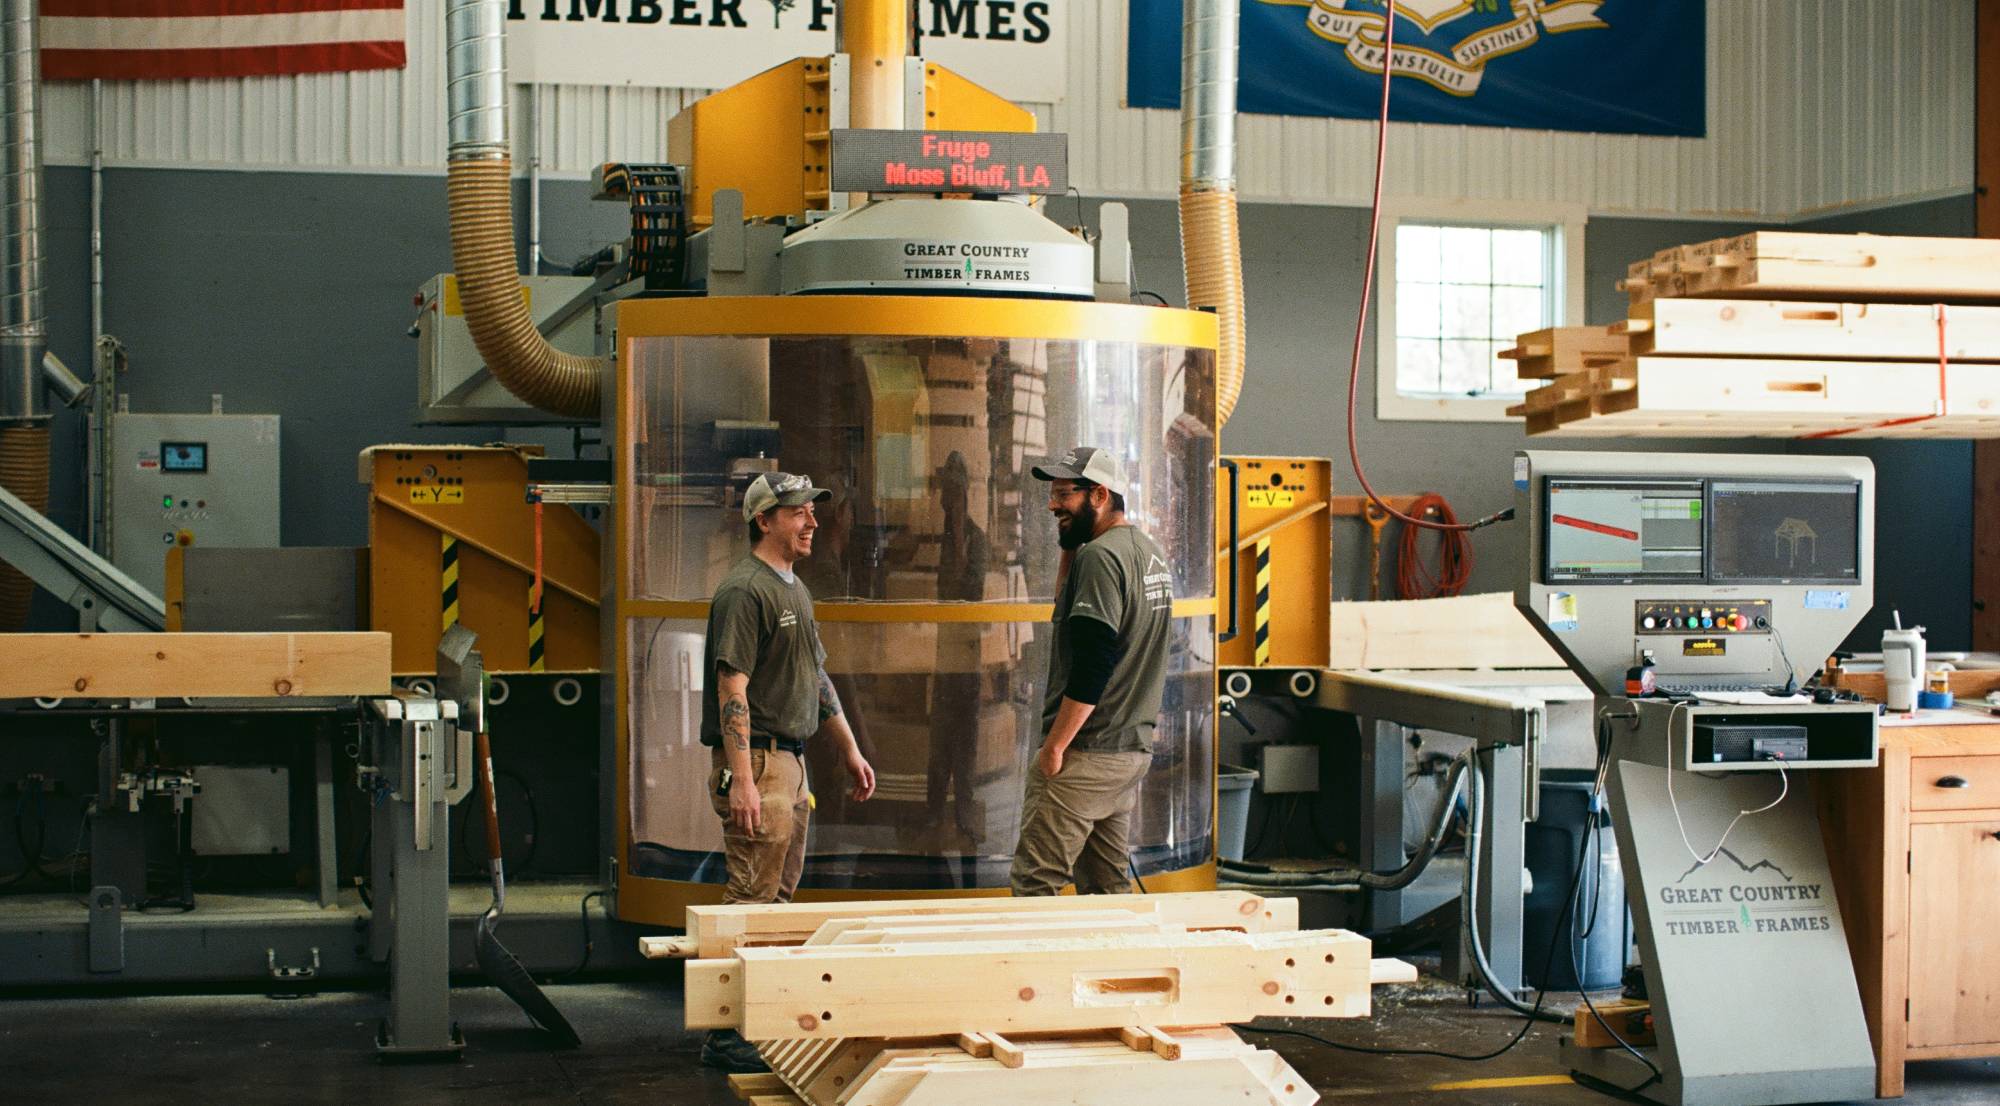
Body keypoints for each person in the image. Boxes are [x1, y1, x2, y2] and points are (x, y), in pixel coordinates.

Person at [698, 471, 877, 1073]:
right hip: (762, 764)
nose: (812, 522)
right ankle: (725, 1035)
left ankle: (753, 1021)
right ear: (764, 519)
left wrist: (848, 749)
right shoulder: (744, 591)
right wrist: (744, 776)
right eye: (799, 512)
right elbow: (733, 686)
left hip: (790, 765)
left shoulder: (793, 589)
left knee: (774, 899)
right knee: (750, 898)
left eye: (812, 510)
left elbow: (816, 677)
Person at [1011, 447, 1174, 897]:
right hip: (1127, 751)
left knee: (1034, 886)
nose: (1052, 505)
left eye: (1064, 494)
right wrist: (1070, 547)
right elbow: (1074, 614)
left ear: (1100, 494)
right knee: (1106, 889)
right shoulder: (1146, 551)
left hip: (1086, 752)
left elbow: (1093, 663)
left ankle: (1033, 971)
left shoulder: (1100, 559)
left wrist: (1055, 747)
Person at [926, 452, 990, 846]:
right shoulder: (946, 539)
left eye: (954, 492)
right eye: (945, 493)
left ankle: (963, 814)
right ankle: (934, 813)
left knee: (963, 740)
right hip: (944, 654)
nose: (947, 501)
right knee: (939, 739)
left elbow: (967, 595)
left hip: (965, 656)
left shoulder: (972, 539)